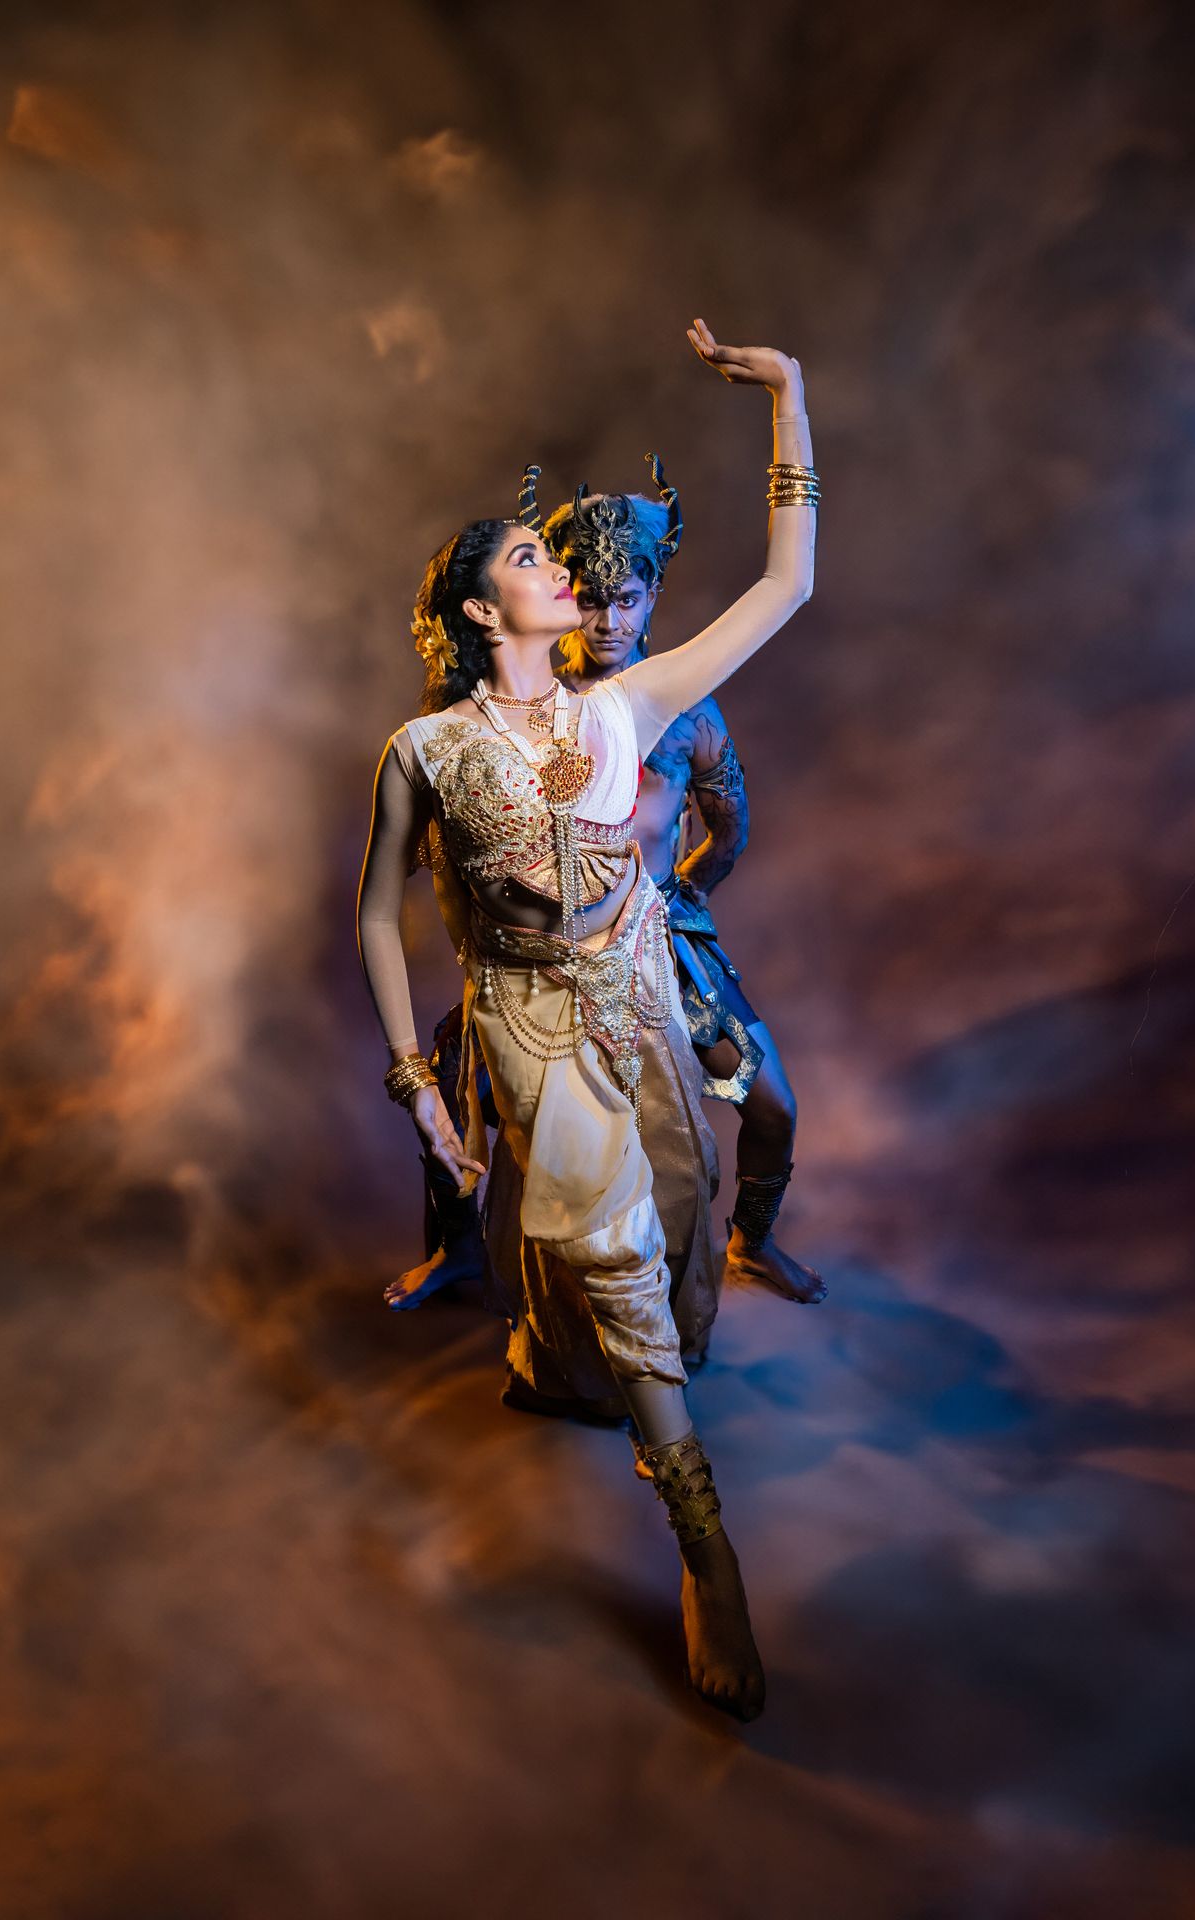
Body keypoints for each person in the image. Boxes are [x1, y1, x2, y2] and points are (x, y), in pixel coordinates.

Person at [357, 318, 818, 1719]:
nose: (562, 569)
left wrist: (789, 398)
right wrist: (415, 1085)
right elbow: (379, 916)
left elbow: (788, 587)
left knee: (671, 1243)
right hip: (528, 1040)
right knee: (611, 1257)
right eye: (527, 559)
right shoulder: (425, 751)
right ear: (482, 611)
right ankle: (706, 1548)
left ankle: (637, 1376)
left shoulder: (631, 707)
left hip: (645, 1019)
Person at [548, 479, 827, 1306]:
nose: (607, 622)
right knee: (466, 1085)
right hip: (549, 952)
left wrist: (675, 899)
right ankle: (464, 1250)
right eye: (590, 600)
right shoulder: (526, 703)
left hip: (666, 946)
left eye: (624, 600)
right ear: (563, 595)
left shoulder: (687, 712)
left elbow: (730, 828)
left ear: (652, 594)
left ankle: (750, 1242)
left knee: (768, 1102)